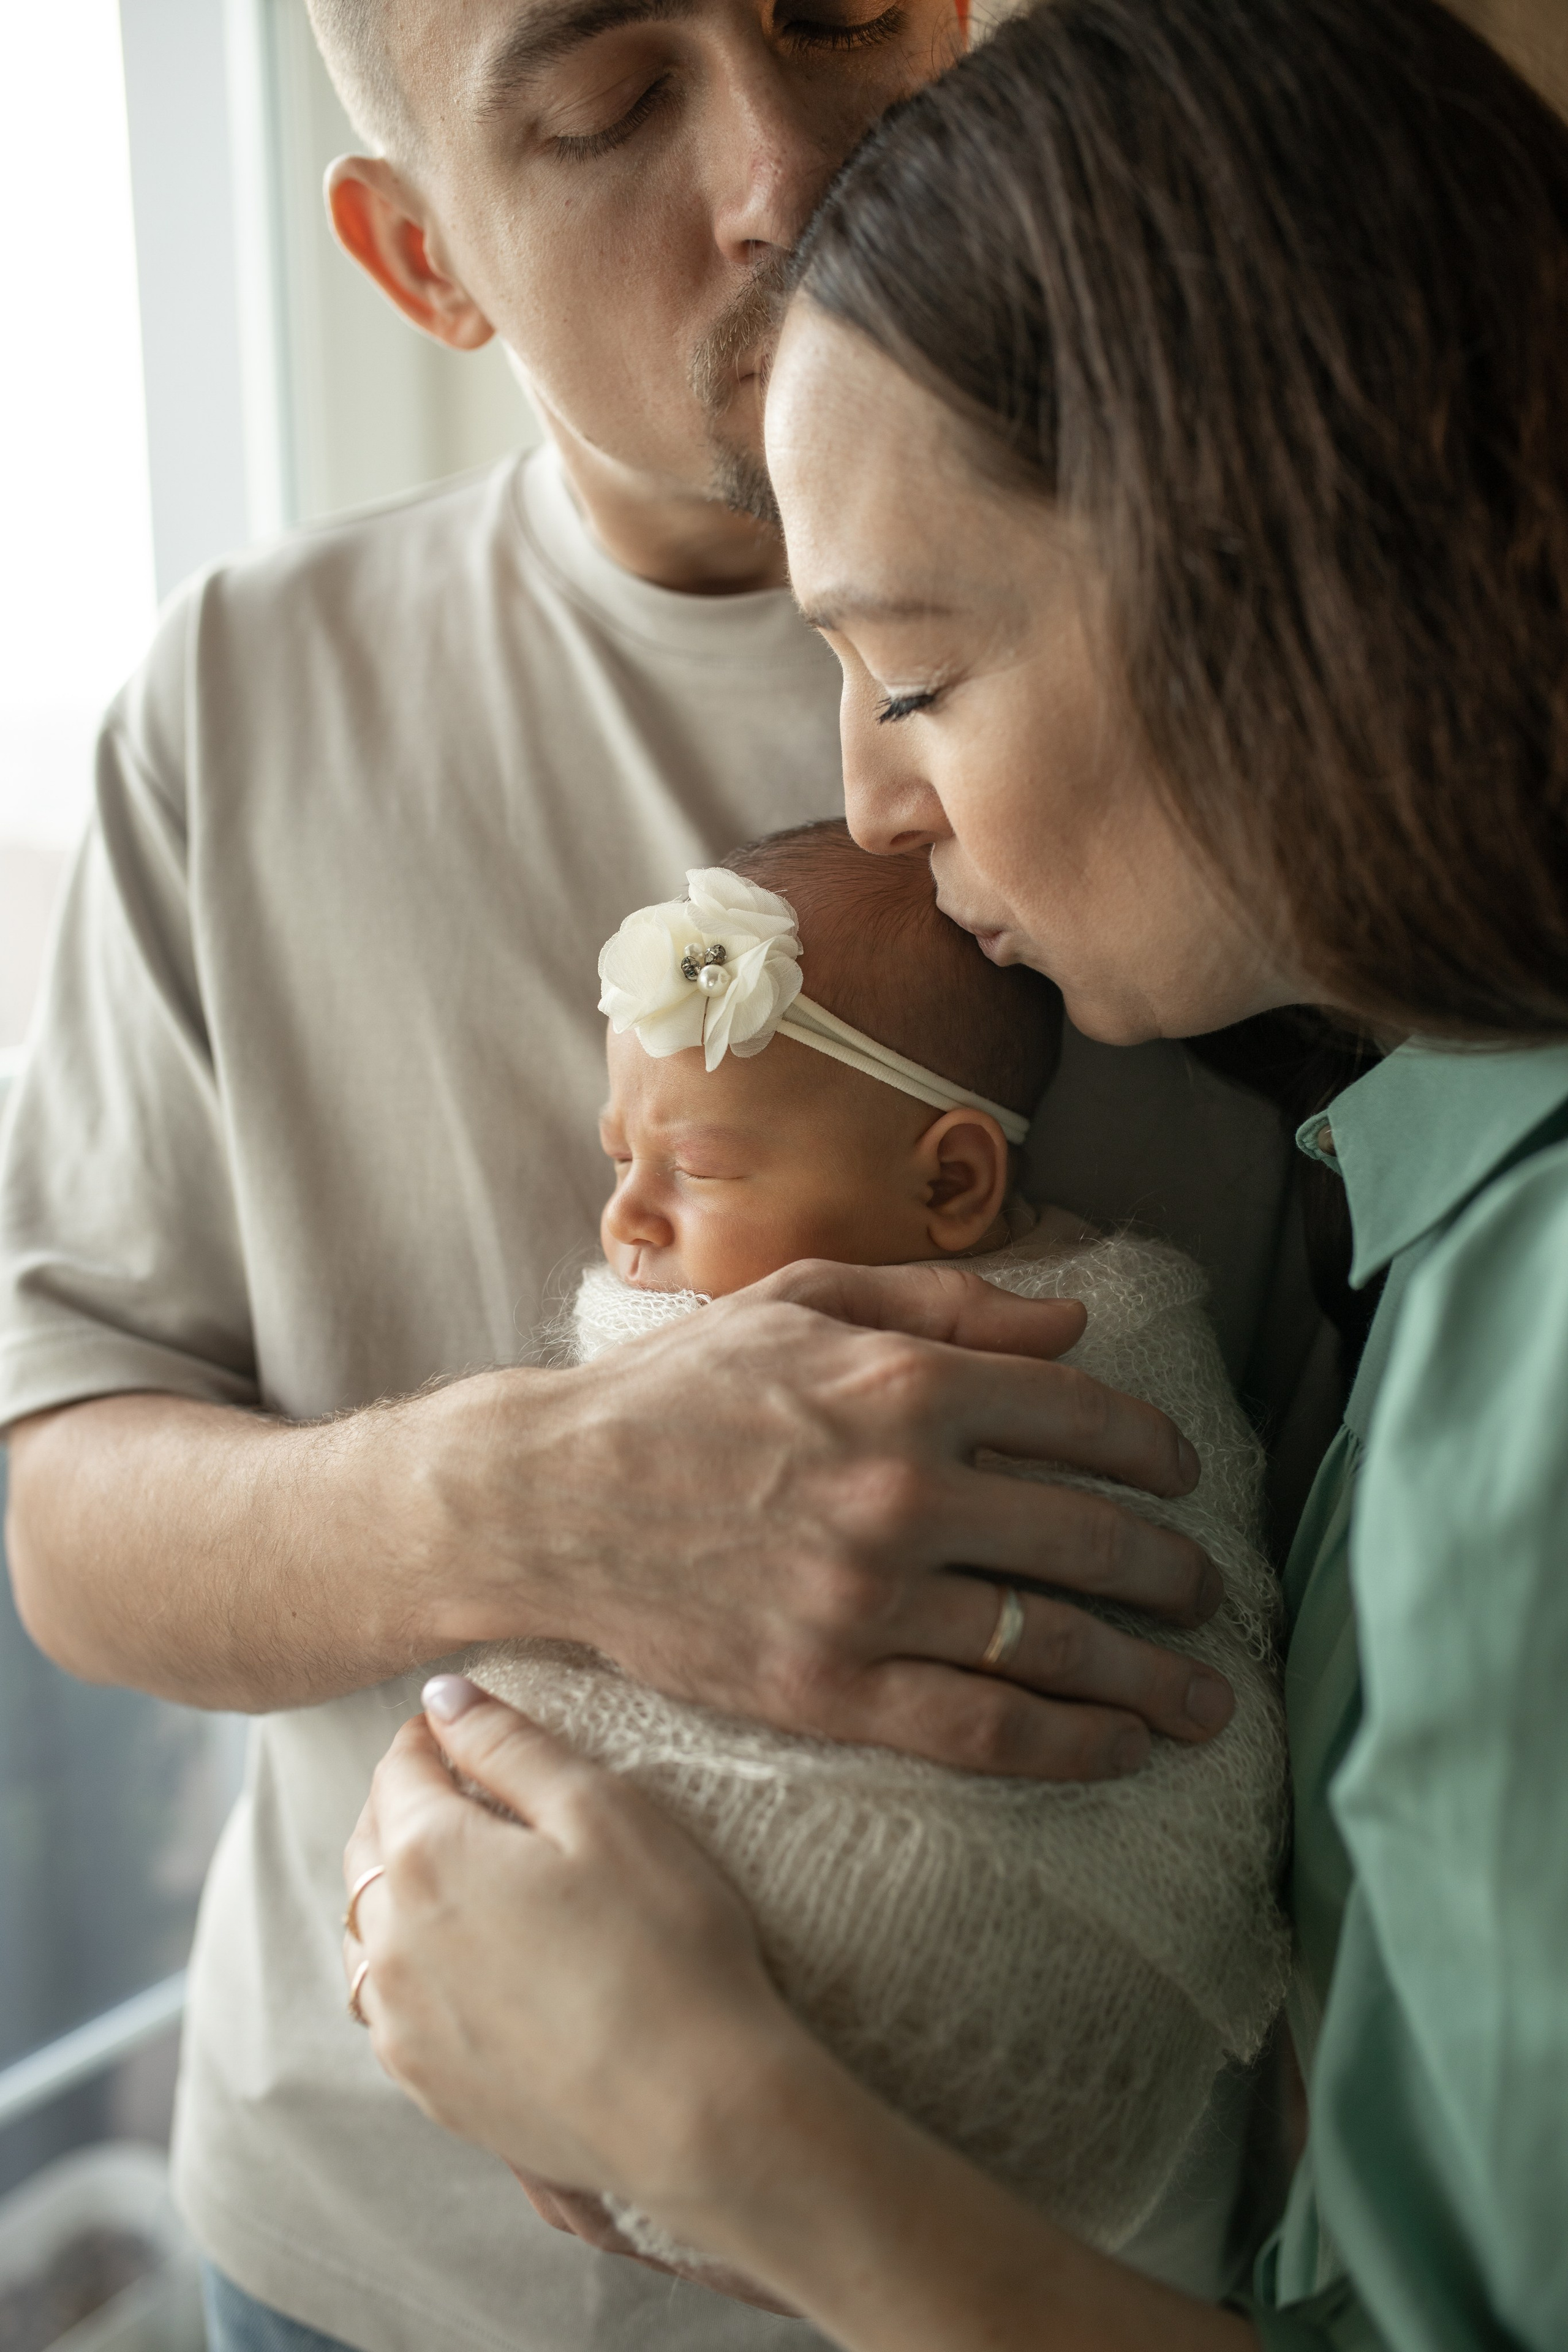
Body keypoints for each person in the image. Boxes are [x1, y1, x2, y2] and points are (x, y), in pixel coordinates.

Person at [0, 2, 1345, 2350]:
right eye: (609, 107)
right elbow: (61, 1515)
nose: (786, 168)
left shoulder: (1258, 658)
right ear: (423, 261)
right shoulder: (238, 697)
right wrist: (543, 1510)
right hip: (348, 2268)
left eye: (841, 15)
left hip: (1071, 2256)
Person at [337, 1, 1568, 2348]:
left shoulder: (1536, 1350)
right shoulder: (1423, 1197)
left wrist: (718, 2119)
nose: (879, 809)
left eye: (909, 679)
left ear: (1256, 577)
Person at [465, 826, 1287, 2294]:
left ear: (953, 1187)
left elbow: (1178, 1575)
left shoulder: (1106, 1343)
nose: (623, 1222)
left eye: (696, 1168)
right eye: (621, 1156)